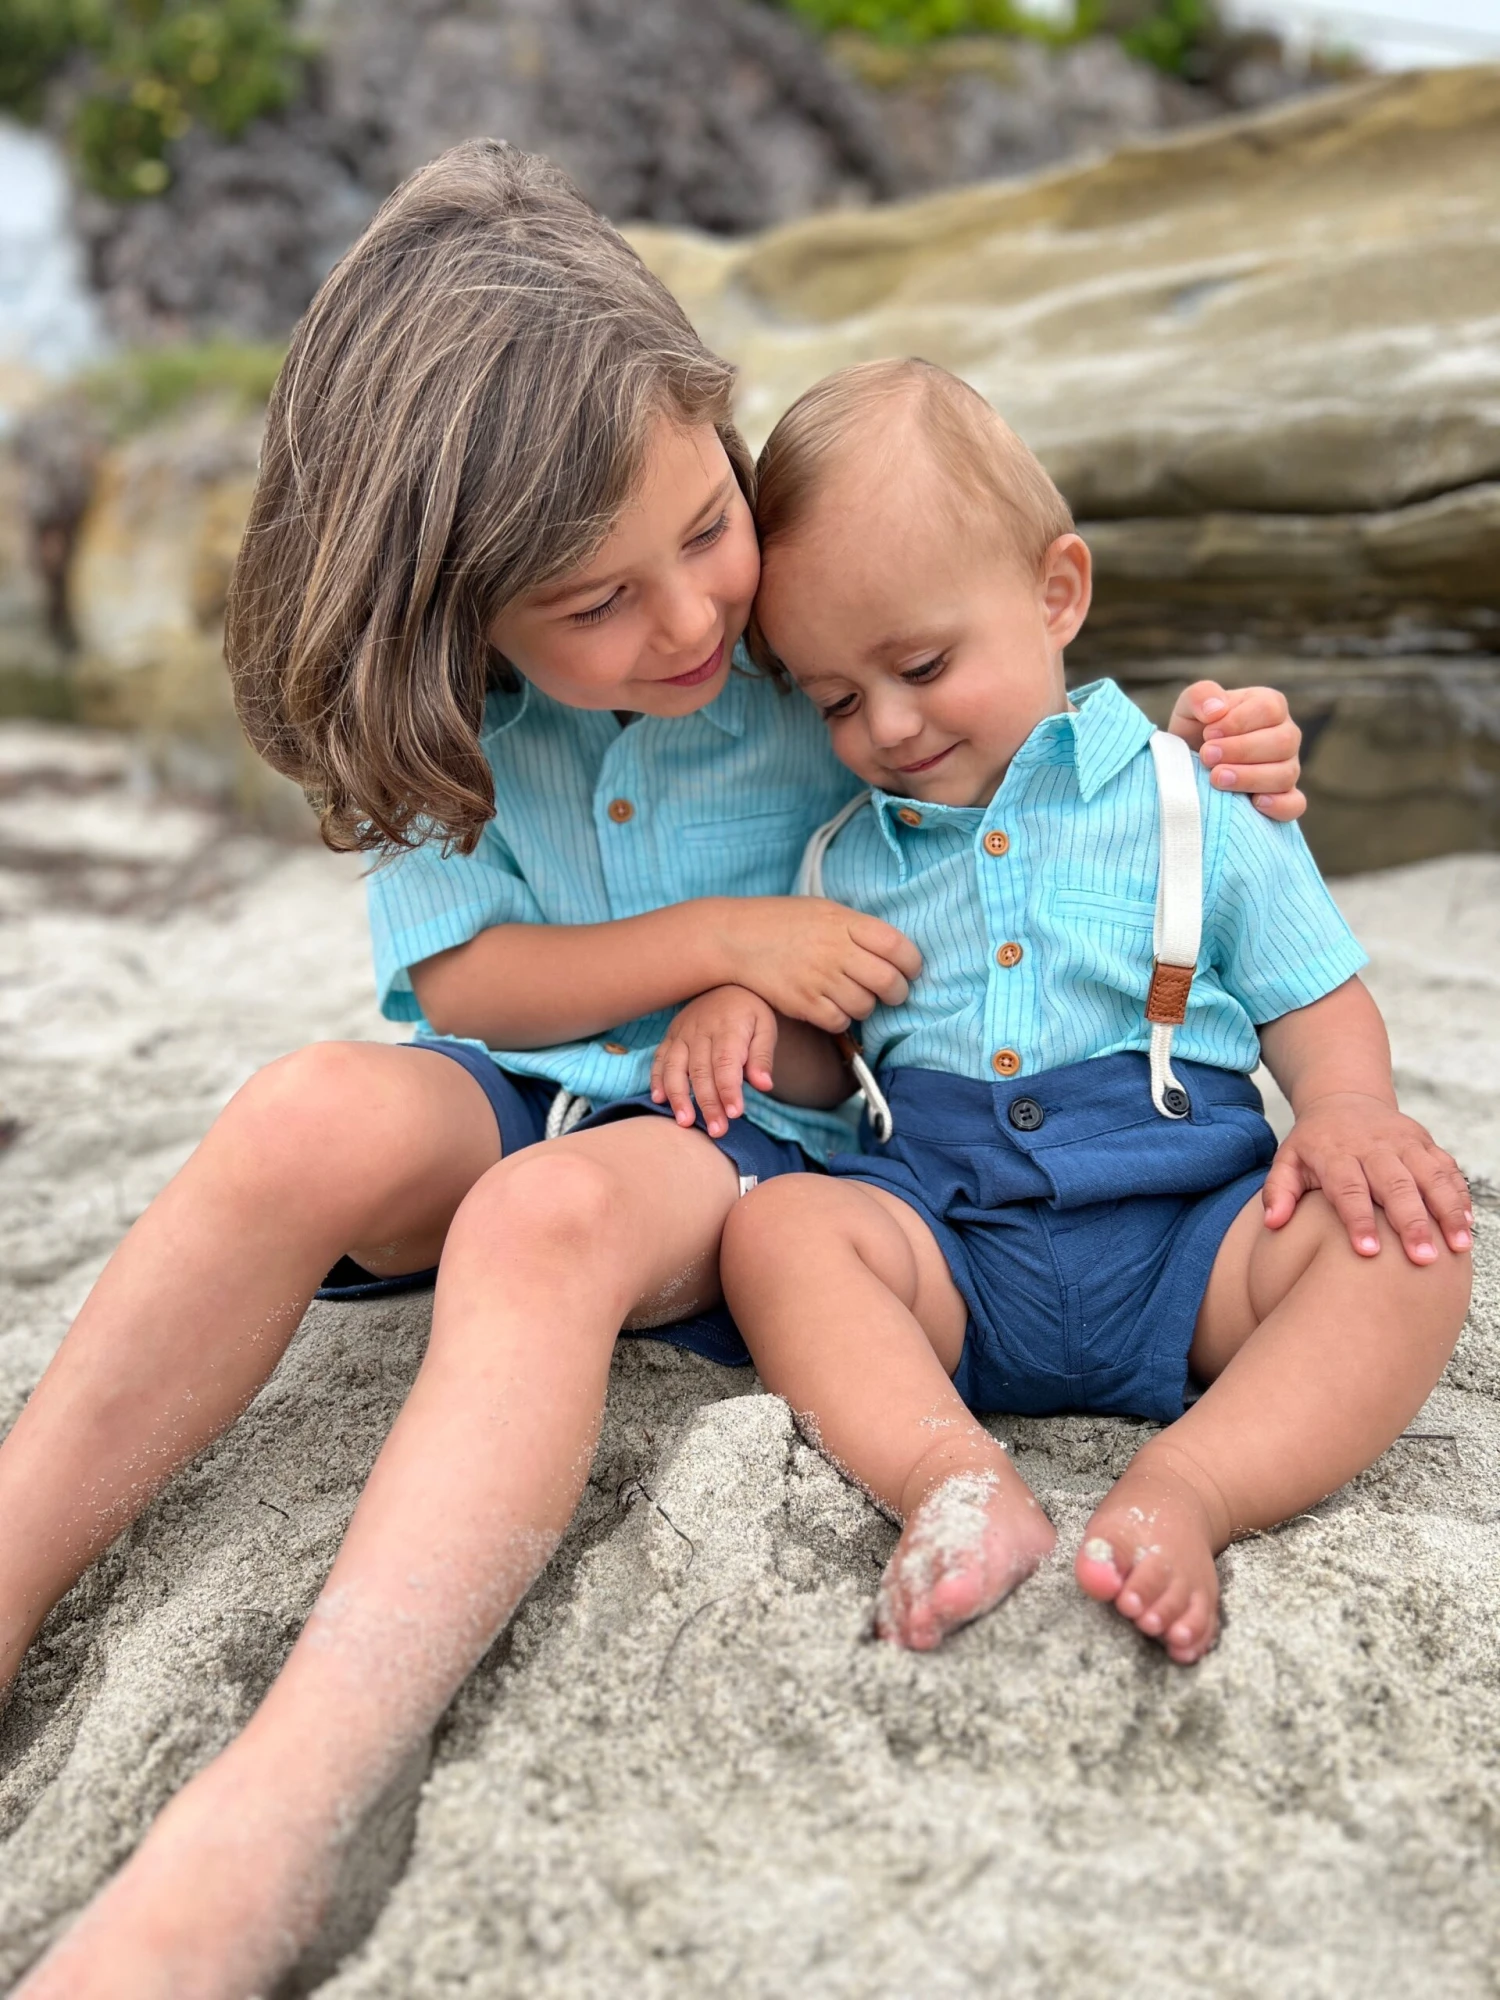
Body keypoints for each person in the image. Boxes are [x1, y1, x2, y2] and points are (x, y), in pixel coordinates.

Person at [3, 153, 1306, 1996]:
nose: (690, 621)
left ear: (720, 425)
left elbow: (1011, 708)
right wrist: (717, 940)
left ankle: (281, 1808)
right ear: (460, 611)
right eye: (594, 603)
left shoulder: (808, 643)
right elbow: (468, 981)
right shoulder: (455, 719)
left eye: (704, 528)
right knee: (298, 1114)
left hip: (758, 1149)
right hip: (523, 1072)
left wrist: (1225, 748)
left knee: (544, 1220)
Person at [653, 358, 1473, 1669]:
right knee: (782, 1230)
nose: (889, 724)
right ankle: (951, 1476)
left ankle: (1194, 1484)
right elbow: (829, 1071)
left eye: (922, 664)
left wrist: (1349, 1109)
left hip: (1194, 1239)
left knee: (1407, 1247)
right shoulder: (842, 863)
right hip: (952, 1254)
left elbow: (1310, 991)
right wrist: (750, 1014)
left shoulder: (1193, 798)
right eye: (837, 701)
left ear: (1056, 595)